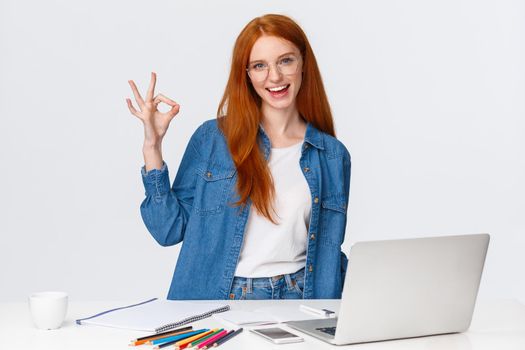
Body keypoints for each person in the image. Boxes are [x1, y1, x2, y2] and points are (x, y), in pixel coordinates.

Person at [126, 14, 351, 300]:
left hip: (301, 297)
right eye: (260, 66)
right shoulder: (213, 139)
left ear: (303, 64)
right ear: (246, 74)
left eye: (285, 60)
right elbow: (168, 230)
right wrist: (152, 147)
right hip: (225, 297)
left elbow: (328, 249)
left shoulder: (332, 155)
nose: (275, 76)